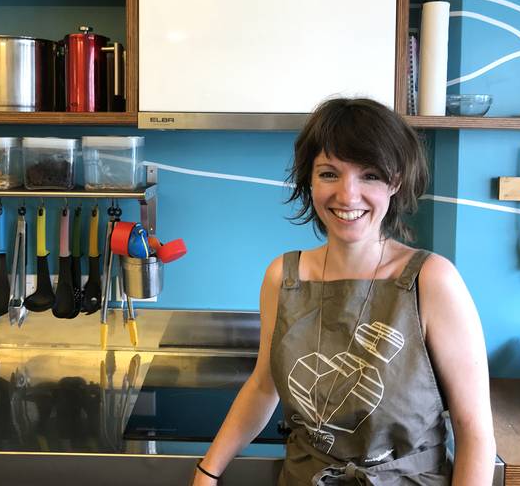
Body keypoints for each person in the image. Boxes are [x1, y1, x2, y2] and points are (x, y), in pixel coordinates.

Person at [192, 98, 495, 485]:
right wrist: (207, 471)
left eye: (369, 175)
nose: (348, 195)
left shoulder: (432, 280)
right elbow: (263, 386)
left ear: (395, 181)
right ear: (310, 180)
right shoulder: (283, 277)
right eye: (329, 174)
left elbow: (475, 432)